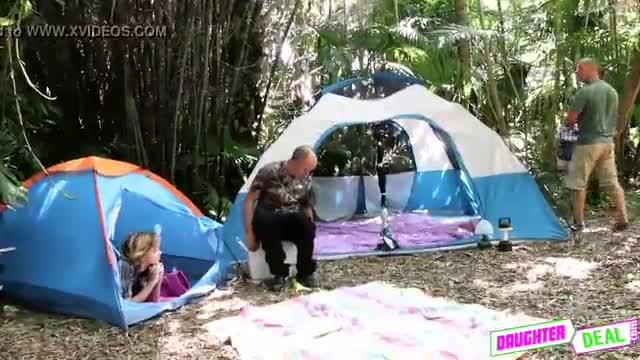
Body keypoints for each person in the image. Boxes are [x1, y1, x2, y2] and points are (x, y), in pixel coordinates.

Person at [564, 58, 629, 232]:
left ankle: (578, 223)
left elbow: (571, 119)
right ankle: (622, 216)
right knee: (612, 182)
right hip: (607, 143)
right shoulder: (612, 91)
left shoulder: (585, 92)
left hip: (588, 143)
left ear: (587, 69)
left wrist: (571, 125)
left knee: (578, 183)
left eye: (578, 70)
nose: (577, 74)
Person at [244, 145, 319, 291]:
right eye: (305, 169)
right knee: (267, 219)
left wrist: (310, 228)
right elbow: (249, 201)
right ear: (295, 162)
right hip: (268, 219)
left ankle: (304, 273)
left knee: (306, 223)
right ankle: (279, 274)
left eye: (310, 170)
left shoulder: (306, 179)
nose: (307, 173)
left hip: (290, 221)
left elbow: (307, 206)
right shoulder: (269, 171)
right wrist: (249, 232)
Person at [119, 232, 165, 302]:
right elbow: (126, 305)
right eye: (155, 250)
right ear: (142, 253)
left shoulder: (145, 270)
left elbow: (154, 302)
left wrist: (158, 279)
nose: (160, 252)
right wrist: (151, 283)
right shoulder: (125, 266)